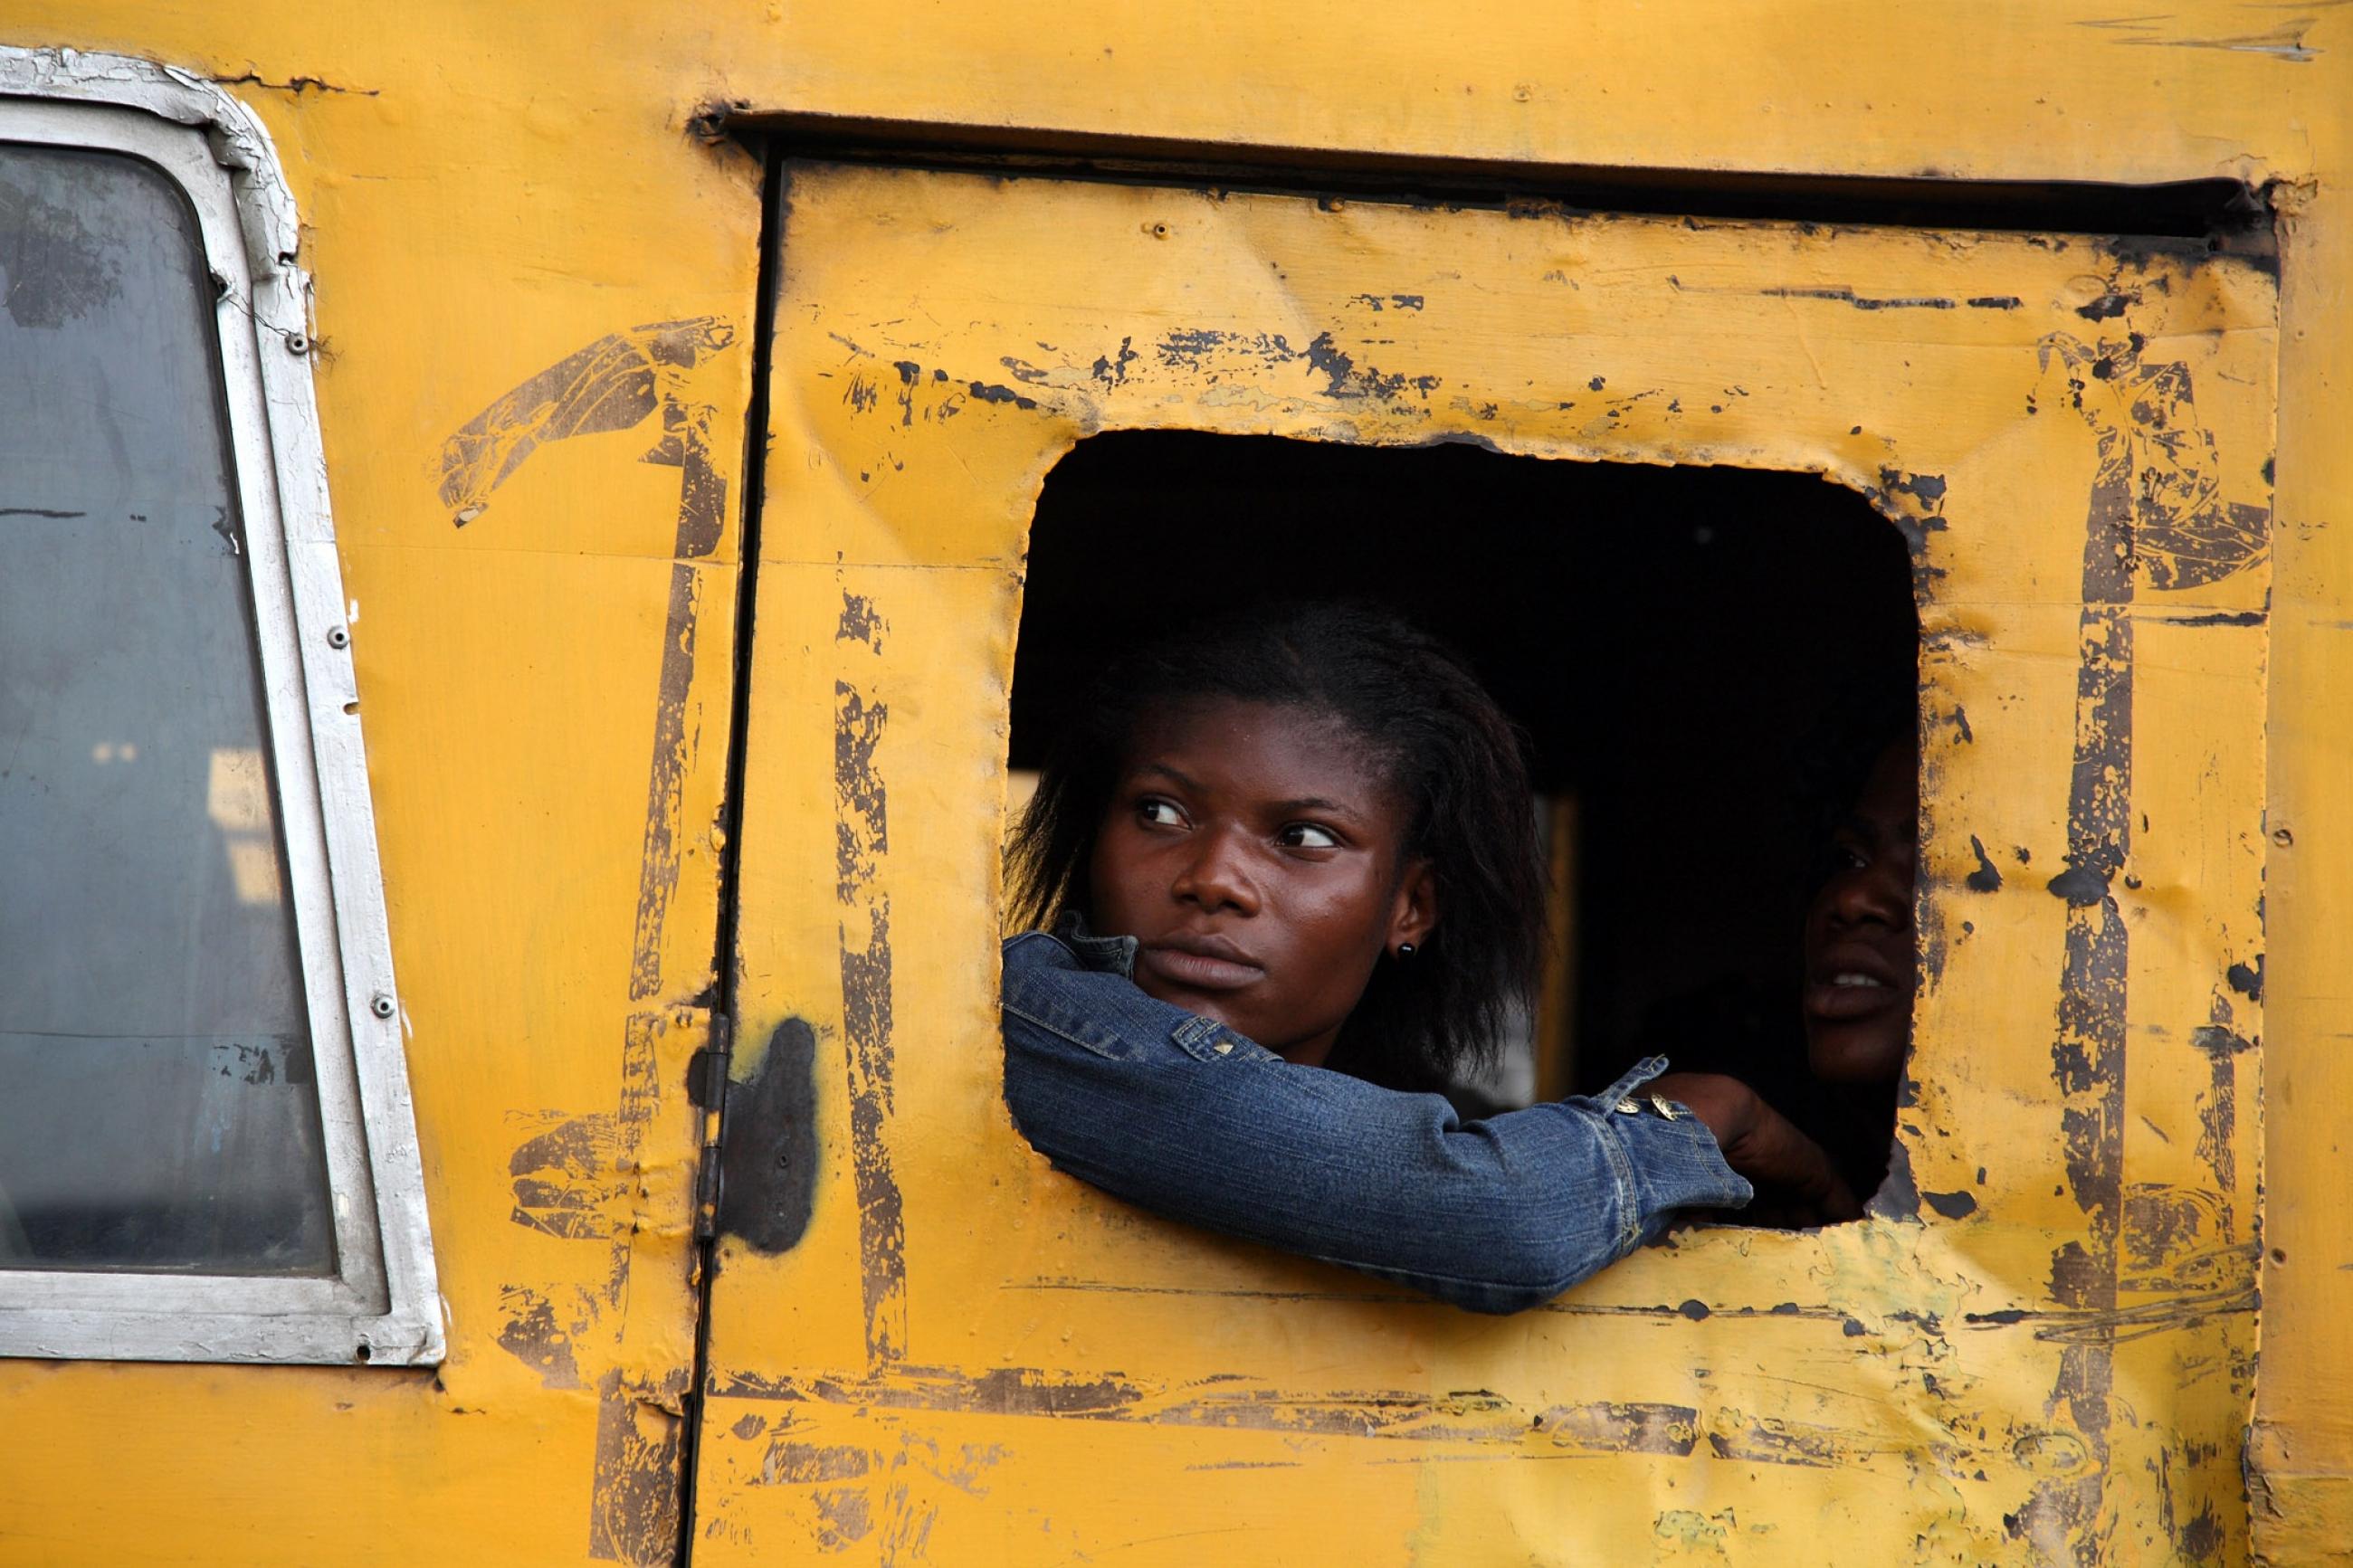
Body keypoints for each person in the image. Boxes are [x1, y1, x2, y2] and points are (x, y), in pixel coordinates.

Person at [999, 602, 1855, 1315]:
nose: (1214, 879)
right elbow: (1502, 1218)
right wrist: (1688, 1119)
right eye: (1159, 813)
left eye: (1303, 837)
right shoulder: (1031, 1030)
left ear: (1410, 906)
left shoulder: (1406, 1118)